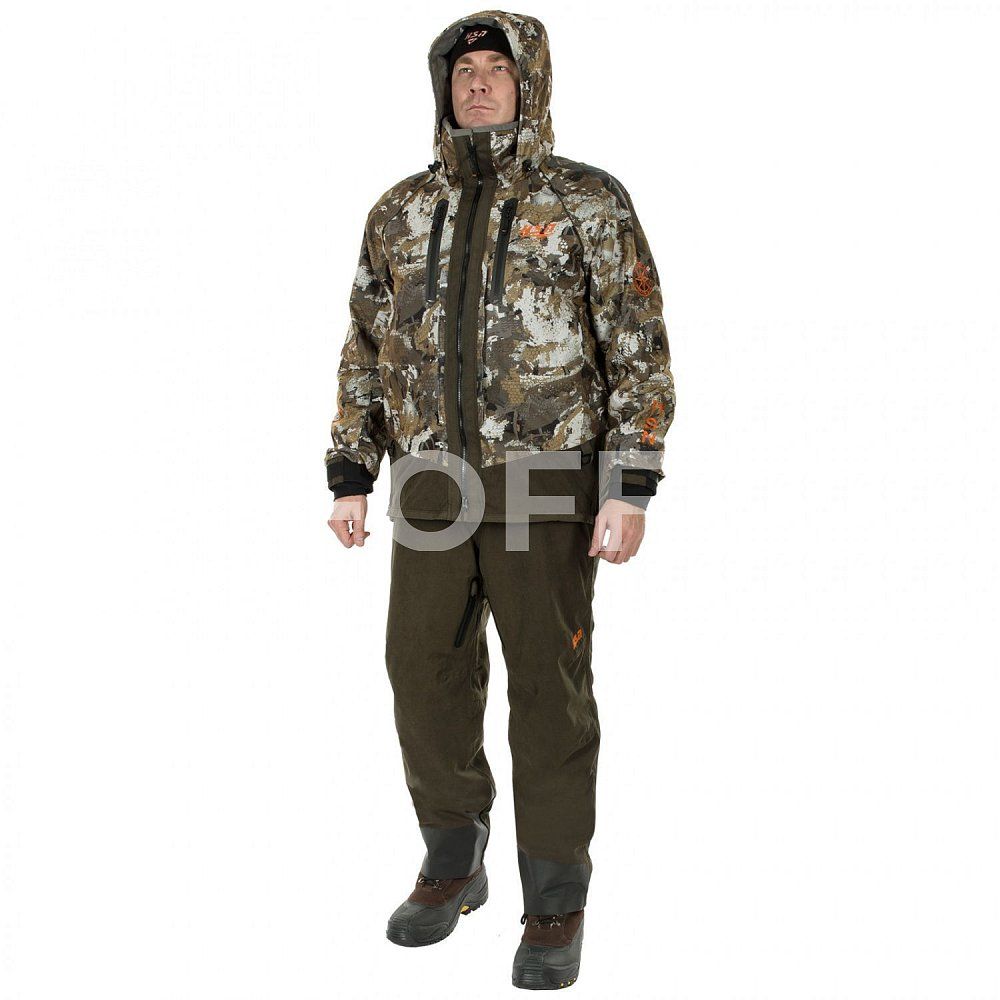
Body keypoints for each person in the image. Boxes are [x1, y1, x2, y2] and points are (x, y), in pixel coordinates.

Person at [325, 10, 675, 990]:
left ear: (531, 82)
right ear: (442, 86)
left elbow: (637, 343)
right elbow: (366, 344)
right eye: (463, 70)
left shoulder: (586, 201)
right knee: (421, 677)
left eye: (496, 68)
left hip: (545, 488)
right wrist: (351, 469)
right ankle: (454, 856)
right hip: (429, 488)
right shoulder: (399, 210)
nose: (477, 83)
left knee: (547, 700)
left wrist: (630, 483)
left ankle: (555, 898)